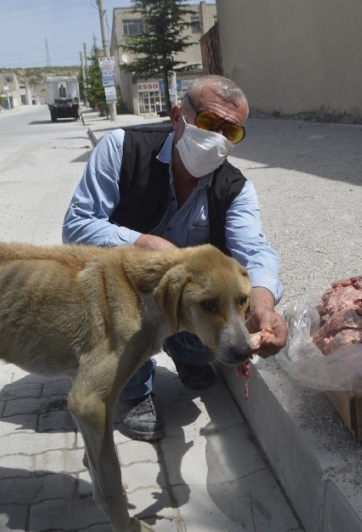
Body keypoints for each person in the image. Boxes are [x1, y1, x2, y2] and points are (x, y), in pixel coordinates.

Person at [62, 75, 287, 441]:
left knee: (214, 328)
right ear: (177, 115)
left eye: (231, 132)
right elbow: (76, 227)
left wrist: (263, 307)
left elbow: (255, 251)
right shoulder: (122, 149)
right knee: (114, 300)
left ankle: (187, 352)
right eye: (209, 123)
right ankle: (133, 391)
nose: (217, 138)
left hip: (185, 299)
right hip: (124, 293)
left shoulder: (235, 188)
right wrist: (141, 244)